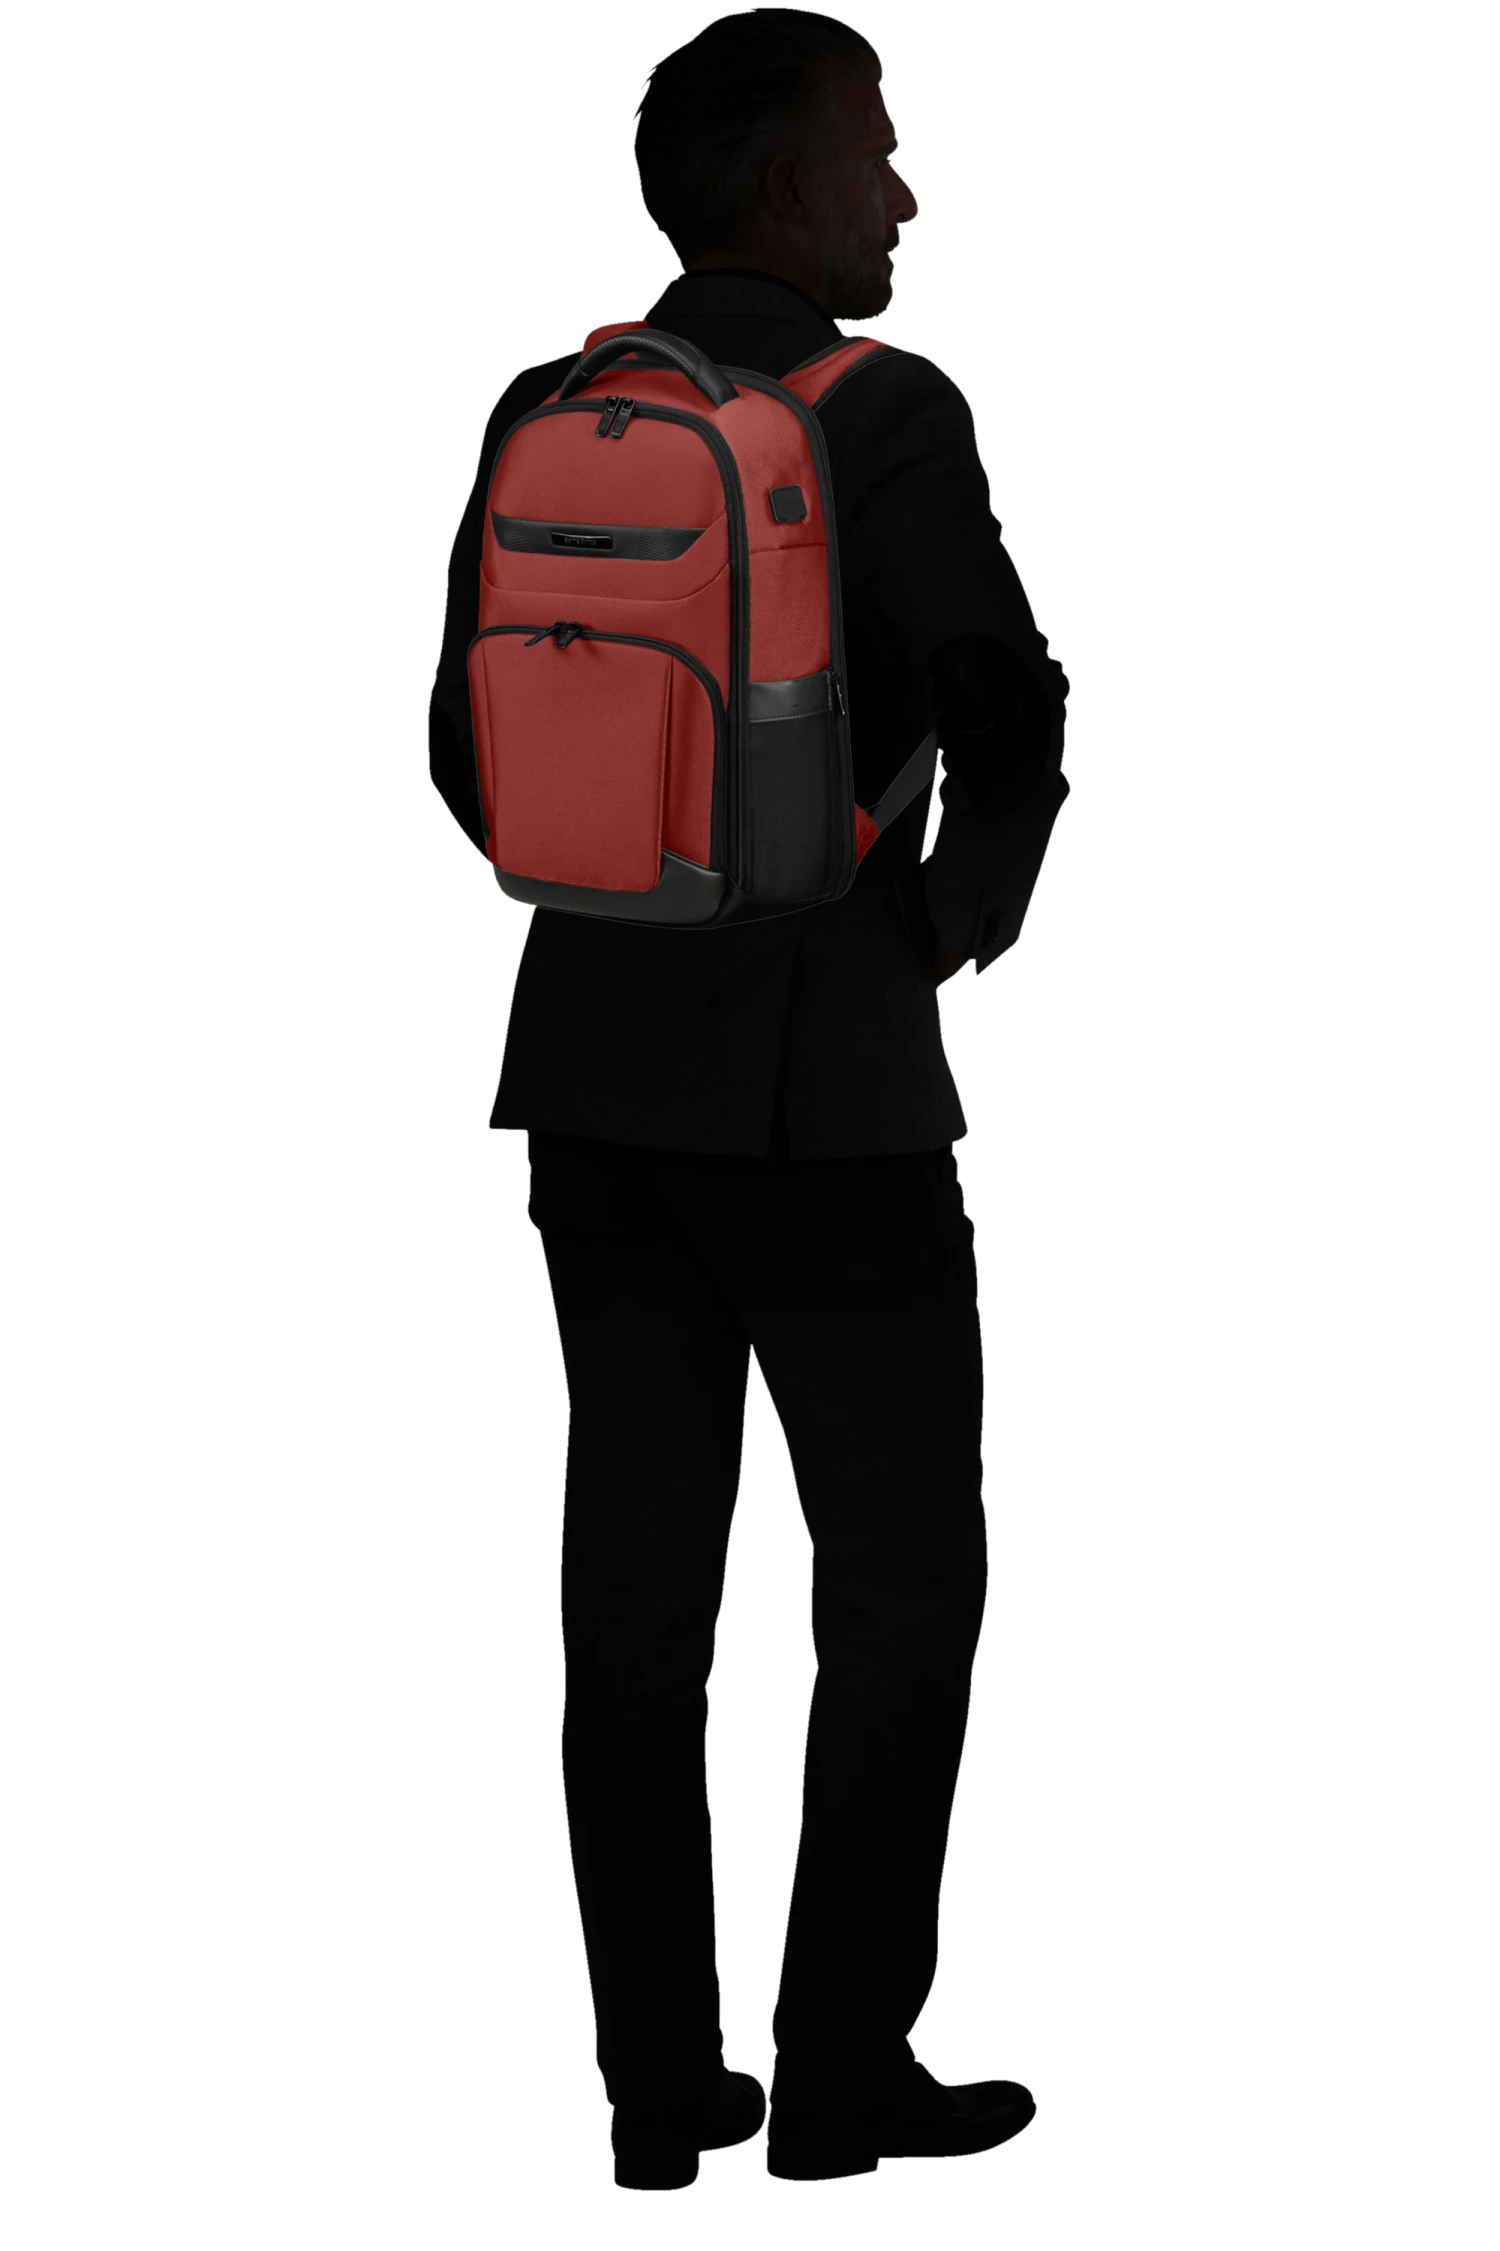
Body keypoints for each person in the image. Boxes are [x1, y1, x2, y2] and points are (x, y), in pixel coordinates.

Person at [425, 8, 1055, 2189]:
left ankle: (657, 2094)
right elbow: (1013, 700)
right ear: (792, 191)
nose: (904, 193)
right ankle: (846, 2073)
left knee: (633, 1581)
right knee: (899, 1579)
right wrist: (939, 931)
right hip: (830, 1097)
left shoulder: (553, 404)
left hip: (582, 1079)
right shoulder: (890, 409)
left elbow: (463, 751)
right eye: (879, 153)